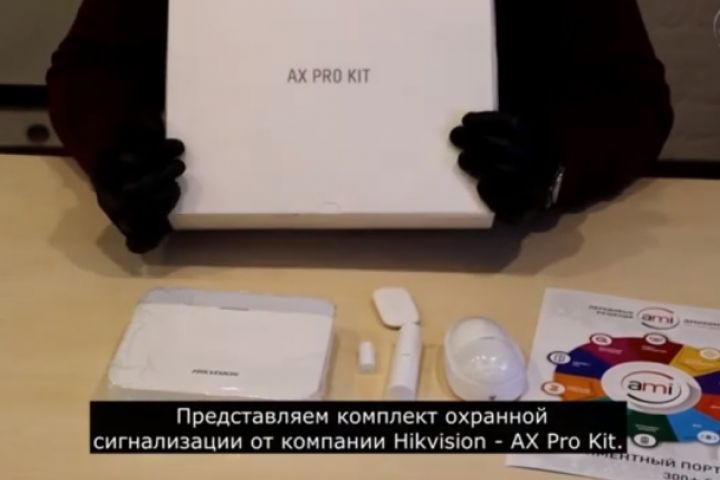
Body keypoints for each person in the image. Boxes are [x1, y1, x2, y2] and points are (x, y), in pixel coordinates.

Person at [47, 0, 673, 254]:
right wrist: (118, 157)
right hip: (220, 249)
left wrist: (556, 164)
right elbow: (92, 67)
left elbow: (631, 95)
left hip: (482, 248)